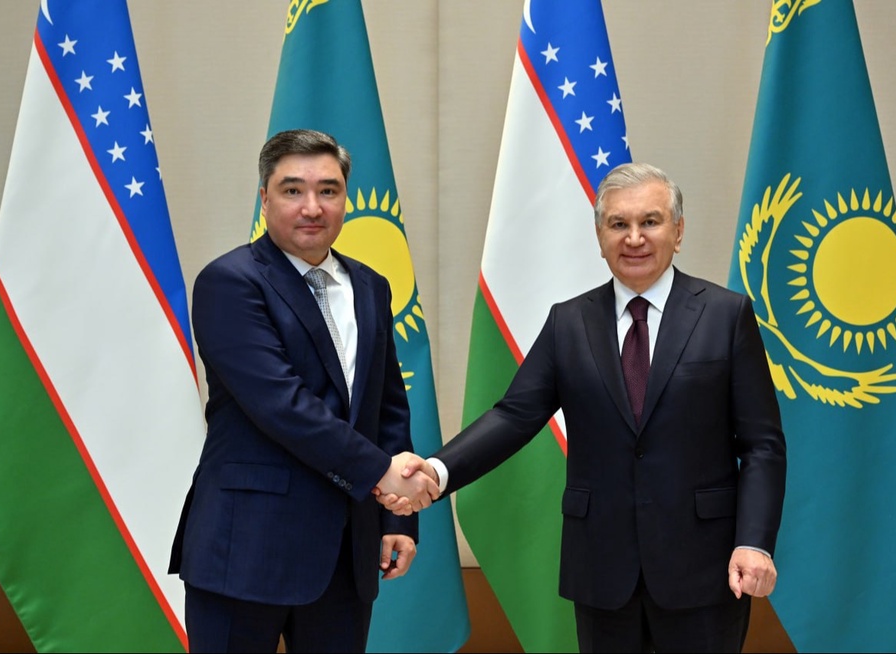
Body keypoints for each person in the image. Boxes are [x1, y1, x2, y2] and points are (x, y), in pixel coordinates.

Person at [385, 162, 787, 653]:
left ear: (678, 231)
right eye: (619, 224)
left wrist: (754, 540)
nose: (634, 238)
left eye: (650, 221)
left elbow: (762, 445)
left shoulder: (726, 315)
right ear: (600, 236)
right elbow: (513, 416)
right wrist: (436, 471)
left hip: (704, 567)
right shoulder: (569, 323)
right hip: (602, 570)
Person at [169, 129, 439, 653]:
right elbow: (282, 405)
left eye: (328, 190)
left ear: (345, 199)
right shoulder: (230, 281)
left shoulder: (371, 286)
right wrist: (381, 473)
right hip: (245, 547)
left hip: (345, 551)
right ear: (264, 198)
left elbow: (387, 407)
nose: (312, 207)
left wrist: (396, 515)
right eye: (293, 190)